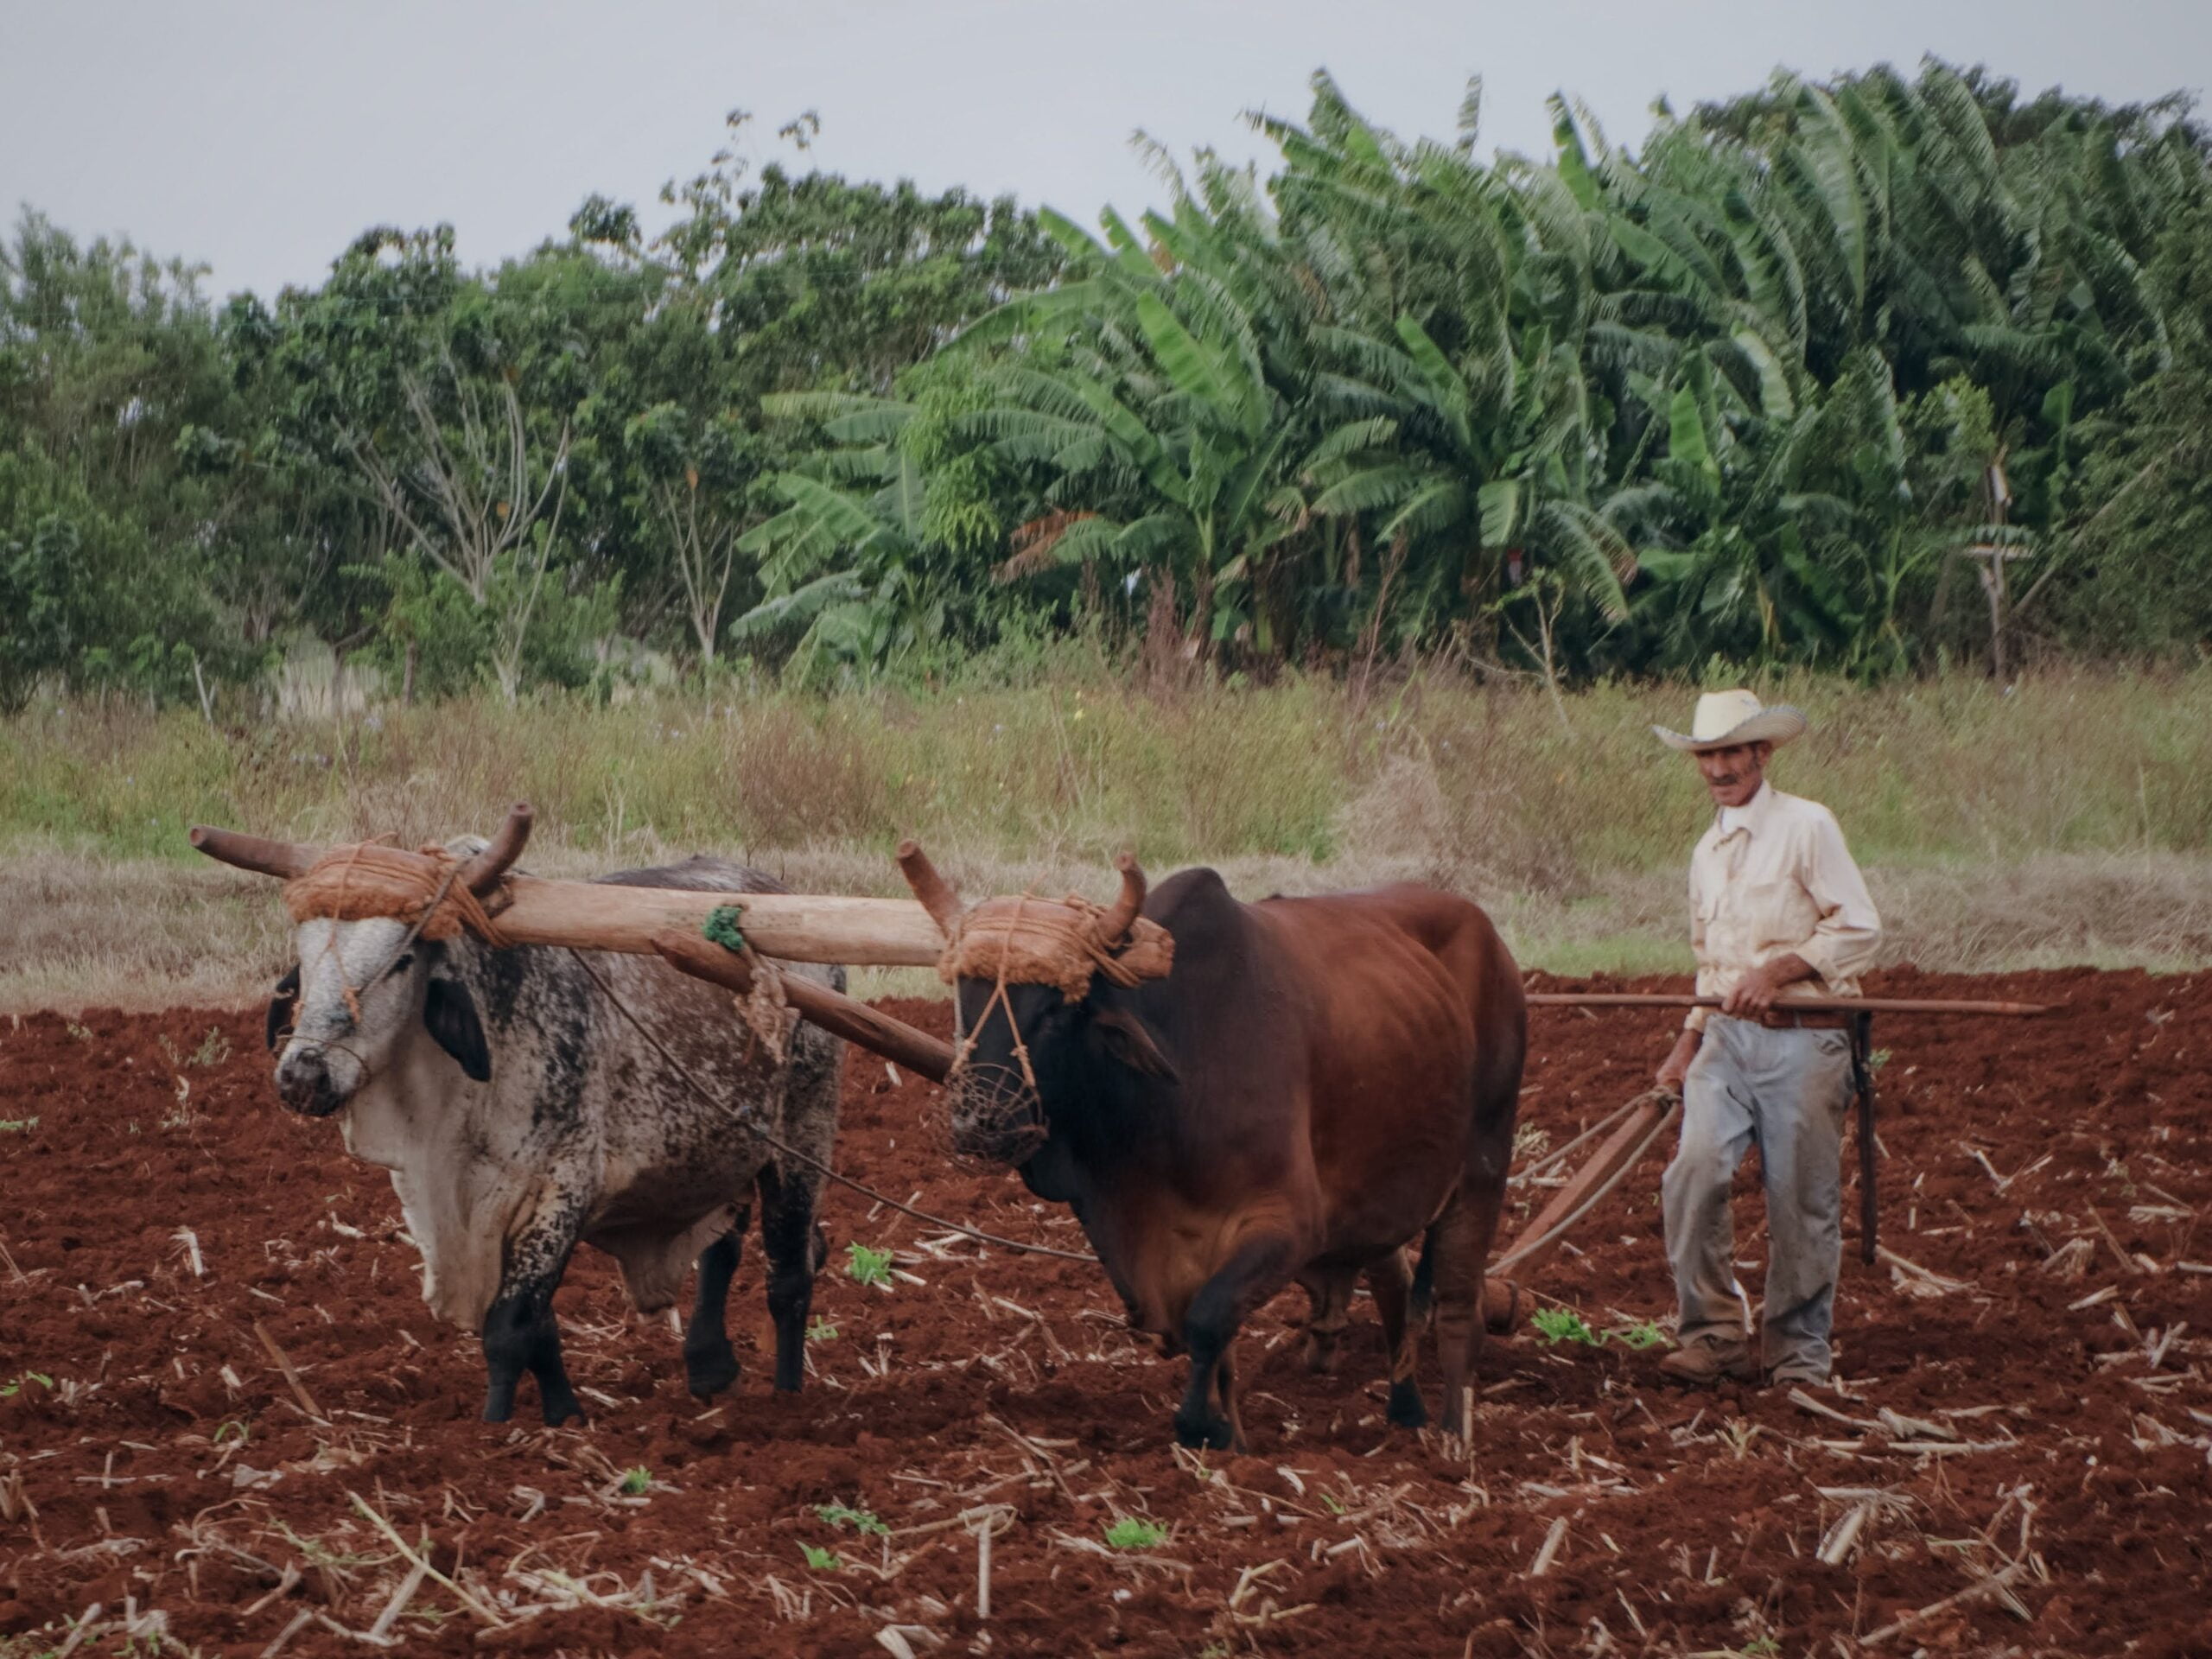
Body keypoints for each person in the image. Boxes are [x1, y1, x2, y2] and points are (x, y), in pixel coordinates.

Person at [1649, 690, 1881, 1388]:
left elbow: (1860, 927)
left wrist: (1779, 971)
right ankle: (1713, 1335)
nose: (1719, 767)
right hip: (1726, 1038)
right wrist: (1689, 1036)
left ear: (1762, 753)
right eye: (1707, 755)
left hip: (1806, 1037)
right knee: (1693, 1173)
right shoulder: (1705, 851)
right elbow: (1709, 962)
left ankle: (1797, 1351)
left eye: (1731, 752)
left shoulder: (1808, 826)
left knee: (1800, 1198)